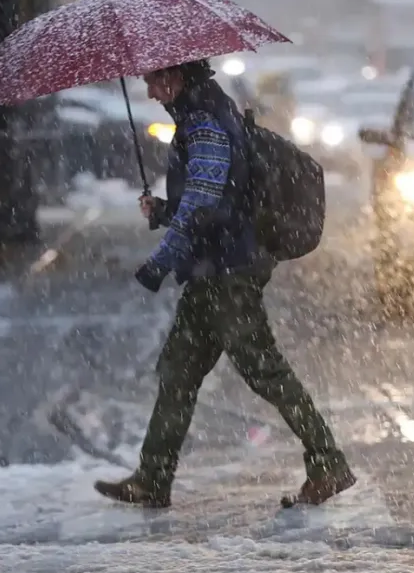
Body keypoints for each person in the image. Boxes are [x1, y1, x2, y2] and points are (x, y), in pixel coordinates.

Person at [94, 59, 355, 508]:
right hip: (212, 271)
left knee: (265, 372)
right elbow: (209, 199)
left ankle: (328, 463)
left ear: (175, 76)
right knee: (178, 372)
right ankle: (152, 478)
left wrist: (160, 261)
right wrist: (162, 211)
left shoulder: (205, 124)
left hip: (228, 273)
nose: (151, 93)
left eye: (154, 81)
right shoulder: (204, 115)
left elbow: (203, 205)